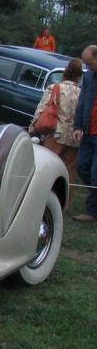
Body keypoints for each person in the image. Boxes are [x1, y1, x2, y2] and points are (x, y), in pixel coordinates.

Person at [30, 58, 82, 206]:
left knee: (46, 166)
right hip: (74, 138)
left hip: (56, 134)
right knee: (69, 171)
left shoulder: (55, 88)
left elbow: (42, 109)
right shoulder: (81, 93)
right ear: (79, 77)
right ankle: (64, 203)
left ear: (65, 72)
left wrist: (33, 130)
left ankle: (39, 197)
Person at [73, 45, 97, 222]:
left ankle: (92, 211)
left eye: (89, 63)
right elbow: (81, 102)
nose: (87, 68)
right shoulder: (89, 77)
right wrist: (77, 126)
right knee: (82, 166)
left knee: (96, 173)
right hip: (88, 132)